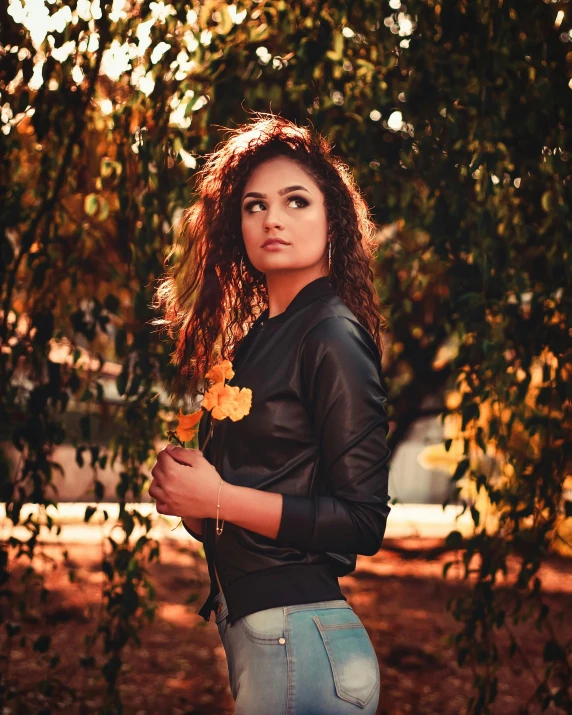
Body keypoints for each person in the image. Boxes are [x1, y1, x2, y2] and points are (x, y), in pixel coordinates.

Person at [149, 113, 391, 714]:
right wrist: (193, 500)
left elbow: (363, 521)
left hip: (301, 644)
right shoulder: (261, 338)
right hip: (267, 640)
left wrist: (219, 500)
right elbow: (254, 496)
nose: (272, 218)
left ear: (333, 220)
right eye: (254, 205)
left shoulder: (331, 332)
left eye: (295, 201)